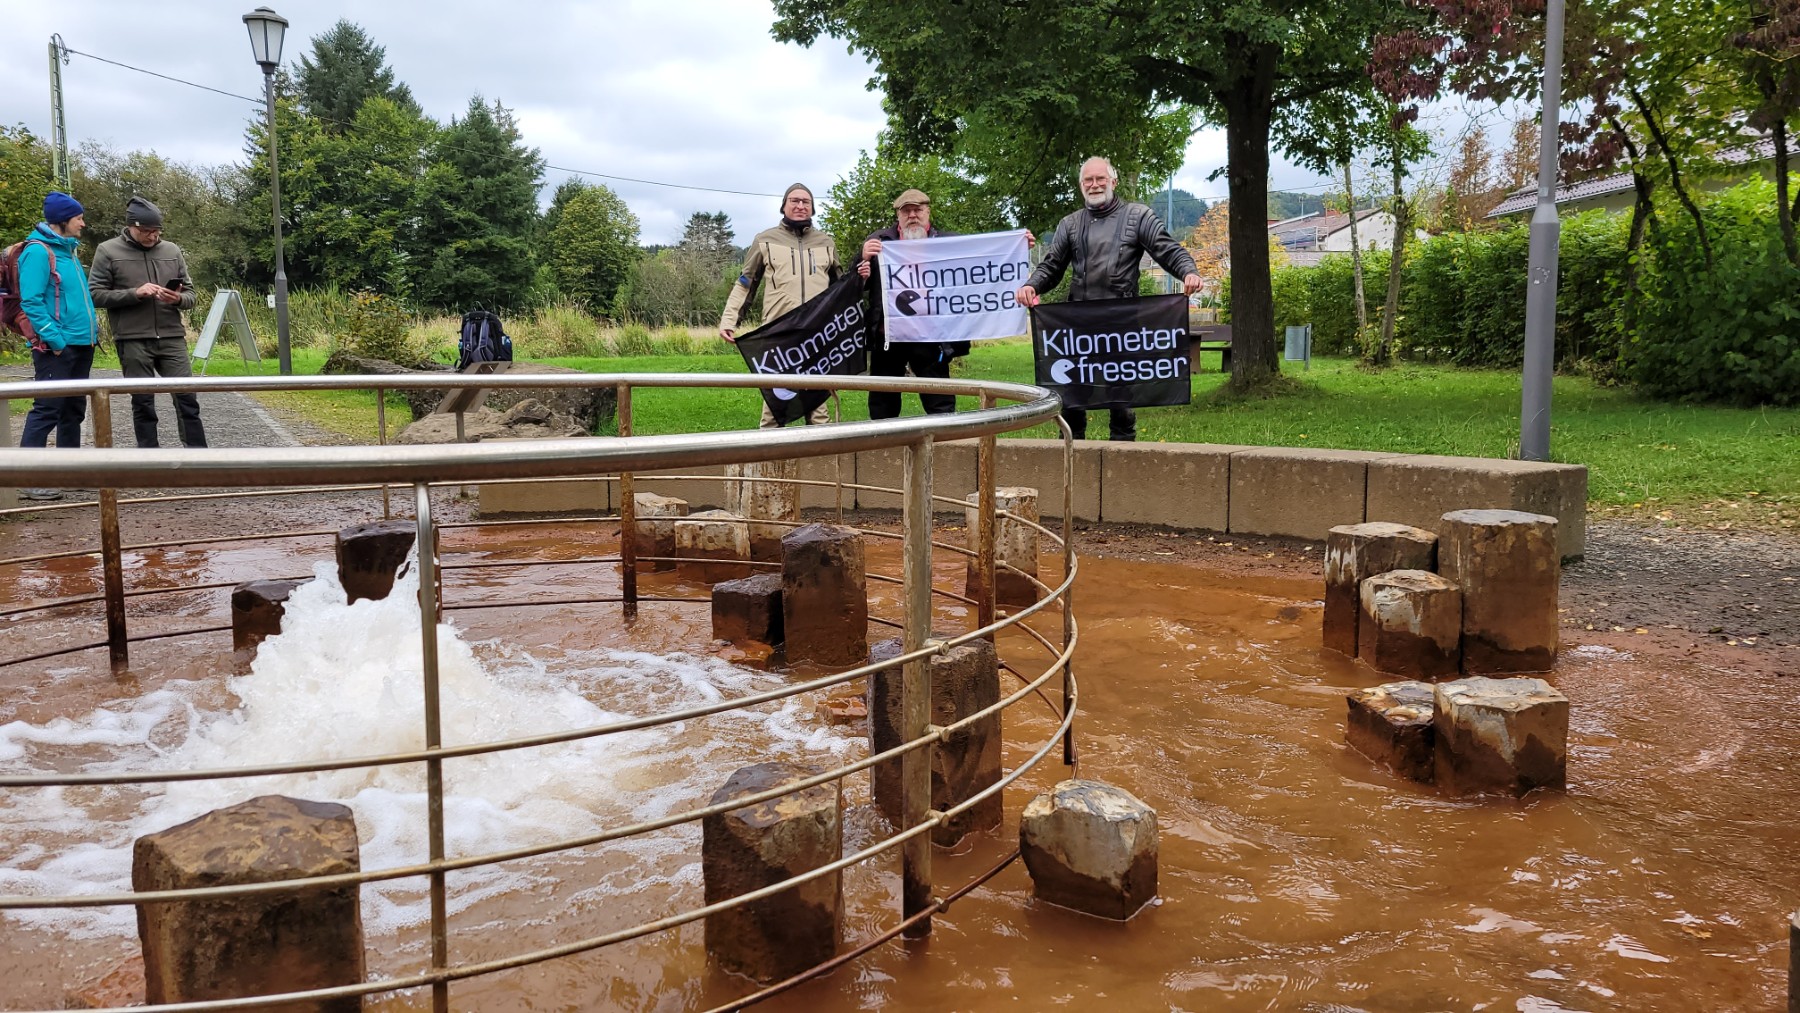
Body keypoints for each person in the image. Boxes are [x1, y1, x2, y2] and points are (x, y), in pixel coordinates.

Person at [1016, 156, 1203, 441]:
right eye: (1088, 180)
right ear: (1081, 186)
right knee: (1072, 399)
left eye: (1100, 178)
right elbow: (1051, 266)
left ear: (1113, 182)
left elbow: (1167, 249)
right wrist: (1032, 285)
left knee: (1122, 403)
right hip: (1078, 328)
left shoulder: (1138, 216)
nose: (1094, 185)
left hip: (1122, 327)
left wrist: (1188, 271)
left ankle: (1123, 457)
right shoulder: (1069, 224)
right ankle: (1071, 455)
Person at [718, 183, 842, 428]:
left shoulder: (826, 242)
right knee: (776, 404)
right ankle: (770, 452)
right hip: (779, 333)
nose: (800, 205)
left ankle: (821, 453)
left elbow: (840, 288)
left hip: (816, 335)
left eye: (806, 202)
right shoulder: (765, 239)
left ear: (812, 208)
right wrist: (730, 320)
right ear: (784, 206)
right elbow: (746, 283)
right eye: (794, 201)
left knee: (818, 407)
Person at [89, 197, 206, 448]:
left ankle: (198, 455)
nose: (153, 236)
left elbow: (192, 295)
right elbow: (94, 295)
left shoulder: (172, 251)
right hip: (132, 338)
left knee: (187, 398)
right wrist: (135, 293)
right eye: (146, 231)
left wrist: (178, 299)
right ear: (131, 226)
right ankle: (149, 457)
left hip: (172, 336)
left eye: (157, 231)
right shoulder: (108, 251)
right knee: (143, 402)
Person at [15, 192, 100, 501]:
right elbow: (31, 301)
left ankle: (69, 472)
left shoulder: (69, 250)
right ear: (63, 220)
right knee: (47, 409)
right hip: (57, 348)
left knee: (73, 410)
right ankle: (28, 478)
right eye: (79, 218)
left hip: (82, 342)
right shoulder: (38, 252)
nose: (83, 223)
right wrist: (55, 340)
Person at [857, 188, 959, 419]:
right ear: (898, 216)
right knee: (882, 403)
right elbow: (857, 283)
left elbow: (981, 262)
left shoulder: (948, 242)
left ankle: (943, 439)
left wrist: (1017, 246)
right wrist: (862, 259)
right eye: (906, 211)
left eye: (918, 210)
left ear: (928, 212)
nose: (912, 215)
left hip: (930, 336)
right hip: (888, 336)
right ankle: (885, 441)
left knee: (940, 401)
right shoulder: (879, 241)